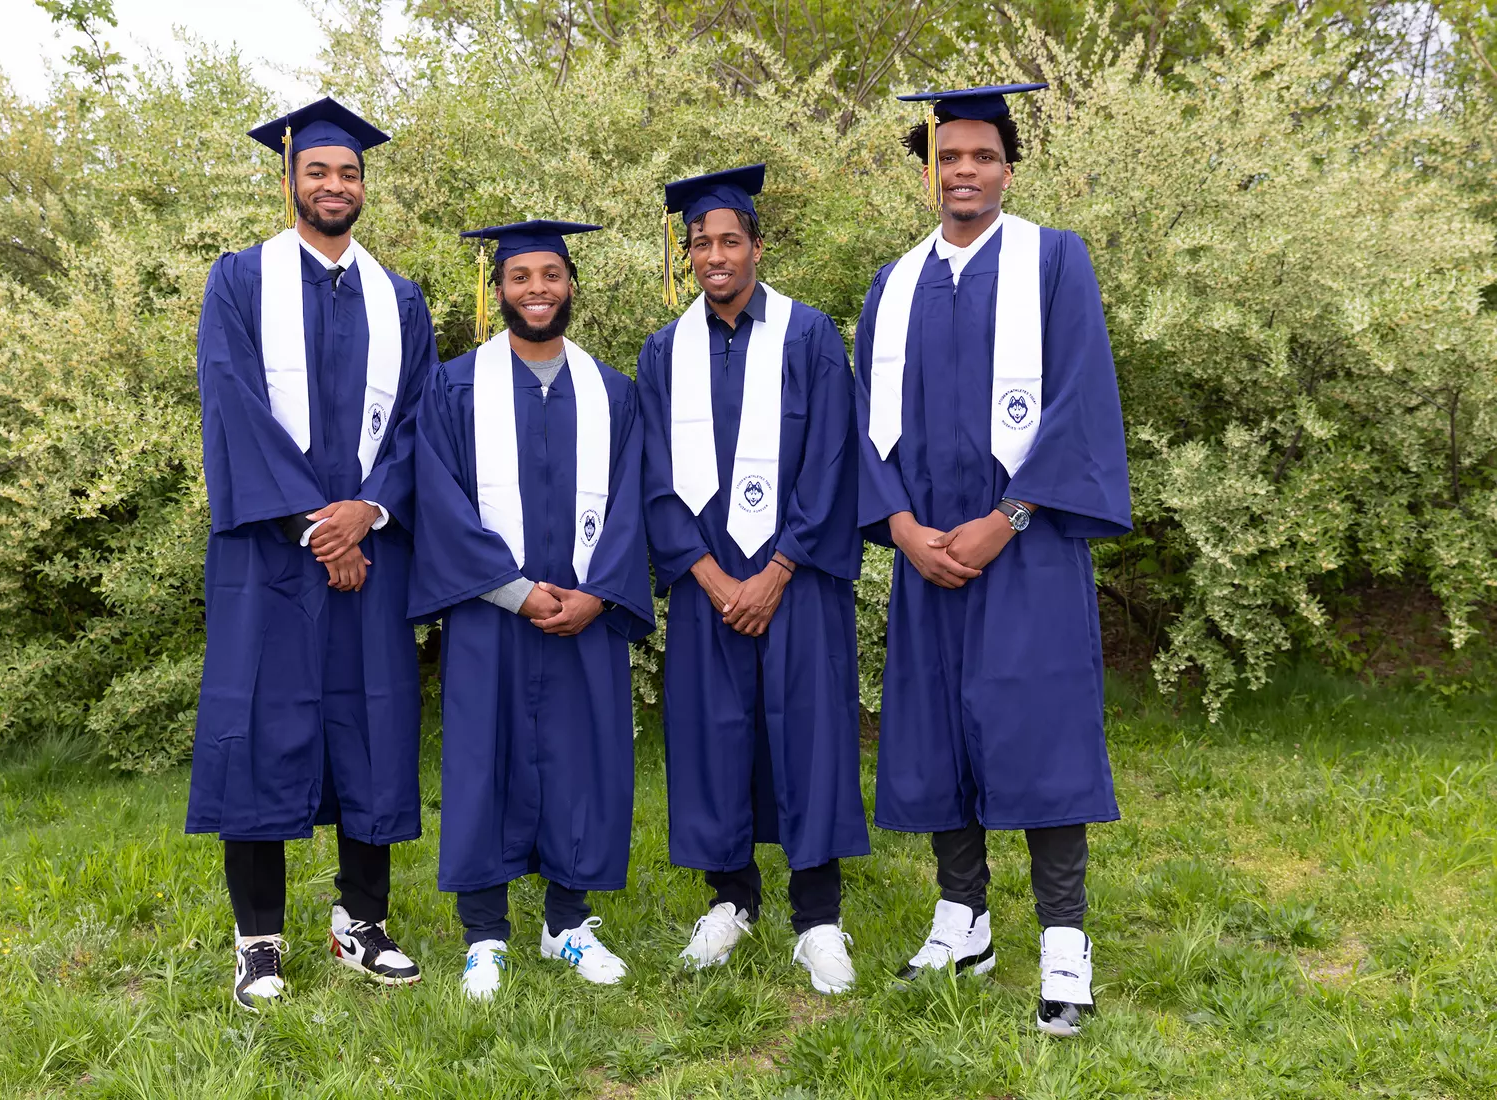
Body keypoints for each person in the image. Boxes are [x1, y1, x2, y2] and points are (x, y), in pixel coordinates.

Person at [853, 83, 1132, 1036]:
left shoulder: (1054, 261)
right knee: (935, 732)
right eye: (948, 158)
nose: (963, 171)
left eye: (981, 156)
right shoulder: (891, 287)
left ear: (1008, 168)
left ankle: (1064, 940)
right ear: (928, 172)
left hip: (1029, 548)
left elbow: (1081, 401)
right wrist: (898, 526)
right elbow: (863, 431)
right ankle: (962, 919)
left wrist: (1004, 517)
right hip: (927, 555)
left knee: (1042, 733)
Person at [185, 97, 440, 1010]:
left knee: (370, 727)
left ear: (364, 186)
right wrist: (315, 522)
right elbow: (232, 404)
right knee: (257, 727)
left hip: (369, 553)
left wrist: (367, 511)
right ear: (289, 178)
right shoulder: (239, 281)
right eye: (320, 171)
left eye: (350, 172)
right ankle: (258, 939)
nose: (336, 185)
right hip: (272, 558)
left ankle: (358, 922)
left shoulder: (398, 297)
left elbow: (421, 423)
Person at [637, 166, 868, 995]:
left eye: (730, 239)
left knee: (808, 735)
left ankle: (818, 918)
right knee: (712, 736)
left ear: (758, 248)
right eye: (700, 242)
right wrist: (705, 573)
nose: (714, 254)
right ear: (688, 254)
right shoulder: (664, 352)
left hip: (796, 579)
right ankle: (730, 902)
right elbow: (654, 475)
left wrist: (776, 569)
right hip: (707, 588)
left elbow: (834, 457)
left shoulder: (807, 337)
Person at [409, 220, 653, 1002]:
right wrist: (513, 590)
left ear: (572, 284)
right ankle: (485, 935)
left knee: (583, 759)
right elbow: (439, 503)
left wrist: (598, 593)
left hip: (584, 612)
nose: (537, 290)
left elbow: (632, 506)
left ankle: (568, 924)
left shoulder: (613, 391)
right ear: (498, 290)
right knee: (483, 758)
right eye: (520, 278)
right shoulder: (452, 387)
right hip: (491, 613)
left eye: (551, 275)